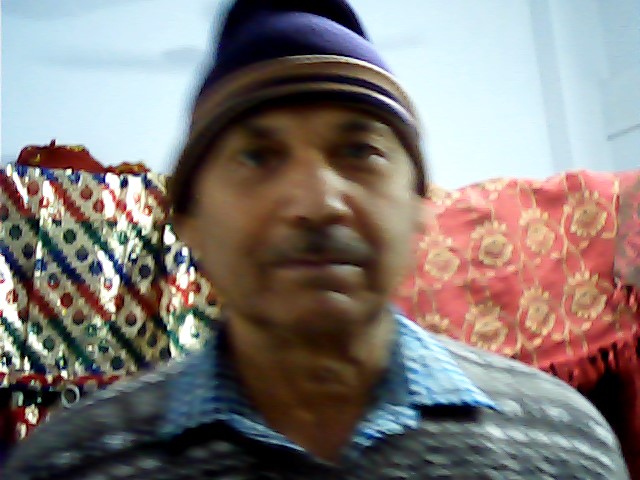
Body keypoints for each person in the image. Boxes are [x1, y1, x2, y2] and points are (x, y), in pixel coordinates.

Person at [4, 1, 630, 478]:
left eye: (359, 151)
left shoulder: (564, 443)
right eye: (257, 156)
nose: (318, 202)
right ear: (189, 221)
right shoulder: (76, 461)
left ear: (418, 208)